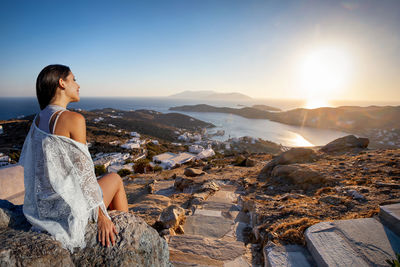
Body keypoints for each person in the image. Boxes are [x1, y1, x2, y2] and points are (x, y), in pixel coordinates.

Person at [19, 64, 128, 251]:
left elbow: (31, 168)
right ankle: (125, 239)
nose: (78, 85)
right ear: (62, 83)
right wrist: (102, 215)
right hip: (69, 209)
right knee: (115, 178)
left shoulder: (37, 120)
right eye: (74, 79)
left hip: (42, 209)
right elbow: (84, 173)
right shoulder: (73, 119)